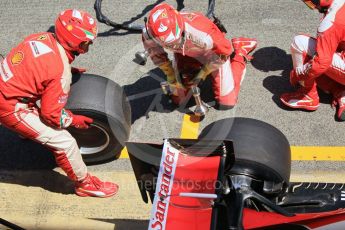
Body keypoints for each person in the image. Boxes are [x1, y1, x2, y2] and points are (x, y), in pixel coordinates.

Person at [0, 9, 118, 197]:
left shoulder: (41, 37)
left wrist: (65, 69)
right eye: (86, 43)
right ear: (75, 42)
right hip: (11, 107)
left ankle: (25, 129)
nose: (87, 48)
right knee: (65, 143)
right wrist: (74, 120)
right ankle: (85, 185)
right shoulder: (59, 71)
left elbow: (38, 66)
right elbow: (52, 116)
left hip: (7, 84)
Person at [142, 3, 257, 109]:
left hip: (213, 53)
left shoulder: (203, 33)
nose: (173, 45)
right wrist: (170, 74)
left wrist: (203, 73)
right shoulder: (149, 33)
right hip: (185, 53)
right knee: (179, 100)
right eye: (169, 44)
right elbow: (156, 54)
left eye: (175, 41)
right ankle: (188, 69)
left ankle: (241, 50)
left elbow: (223, 53)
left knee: (226, 102)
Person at [280, 0, 345, 121]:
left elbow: (321, 63)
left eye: (311, 3)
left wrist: (297, 74)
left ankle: (307, 95)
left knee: (300, 43)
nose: (314, 8)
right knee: (324, 50)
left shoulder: (331, 22)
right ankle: (340, 91)